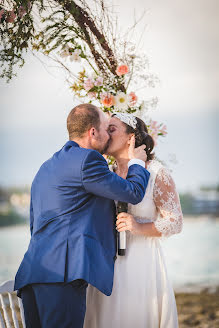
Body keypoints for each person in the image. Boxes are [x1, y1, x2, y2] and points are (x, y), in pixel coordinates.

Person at [14, 104, 150, 328]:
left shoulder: (46, 167)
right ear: (93, 132)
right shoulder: (87, 160)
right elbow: (132, 193)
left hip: (33, 273)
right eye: (107, 129)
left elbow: (34, 223)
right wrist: (137, 162)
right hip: (61, 276)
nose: (108, 135)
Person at [84, 112, 183, 328]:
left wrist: (138, 226)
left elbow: (175, 222)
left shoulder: (156, 172)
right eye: (104, 129)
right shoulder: (105, 173)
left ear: (131, 137)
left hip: (142, 262)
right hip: (107, 265)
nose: (105, 134)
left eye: (112, 129)